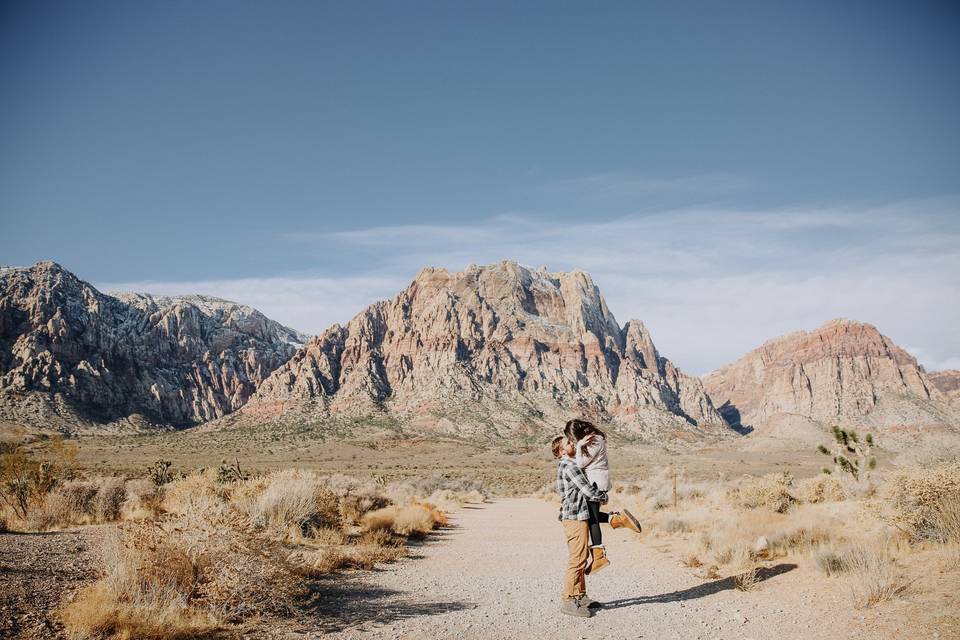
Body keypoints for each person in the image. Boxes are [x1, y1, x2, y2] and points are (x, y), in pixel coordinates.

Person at [563, 419, 642, 574]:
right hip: (597, 481)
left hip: (595, 483)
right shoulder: (594, 440)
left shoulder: (595, 441)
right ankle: (617, 520)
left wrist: (579, 446)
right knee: (592, 517)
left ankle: (600, 557)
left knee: (593, 519)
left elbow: (580, 463)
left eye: (572, 437)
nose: (572, 441)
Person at [552, 435, 607, 617]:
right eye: (568, 443)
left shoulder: (567, 465)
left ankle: (580, 596)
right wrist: (603, 497)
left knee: (581, 556)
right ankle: (568, 599)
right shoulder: (570, 466)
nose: (572, 444)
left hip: (576, 516)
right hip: (575, 517)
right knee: (577, 558)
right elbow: (587, 490)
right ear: (561, 451)